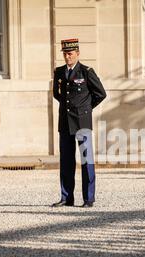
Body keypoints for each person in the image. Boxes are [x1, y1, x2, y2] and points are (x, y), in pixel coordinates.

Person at [52, 39, 107, 208]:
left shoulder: (86, 72)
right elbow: (57, 94)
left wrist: (86, 109)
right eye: (65, 54)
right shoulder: (59, 72)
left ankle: (88, 199)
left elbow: (100, 93)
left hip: (82, 122)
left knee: (86, 161)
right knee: (66, 162)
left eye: (70, 54)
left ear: (77, 53)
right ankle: (66, 197)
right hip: (65, 122)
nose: (67, 57)